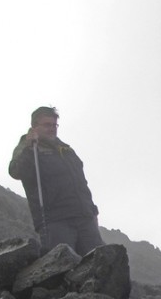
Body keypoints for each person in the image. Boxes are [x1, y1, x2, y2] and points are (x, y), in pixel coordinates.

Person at [9, 106, 104, 255]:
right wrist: (28, 147)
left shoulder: (66, 150)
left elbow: (81, 184)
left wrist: (93, 212)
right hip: (55, 220)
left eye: (55, 125)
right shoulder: (29, 148)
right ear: (34, 127)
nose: (52, 129)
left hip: (84, 218)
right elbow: (16, 171)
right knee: (63, 266)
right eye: (47, 125)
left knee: (99, 265)